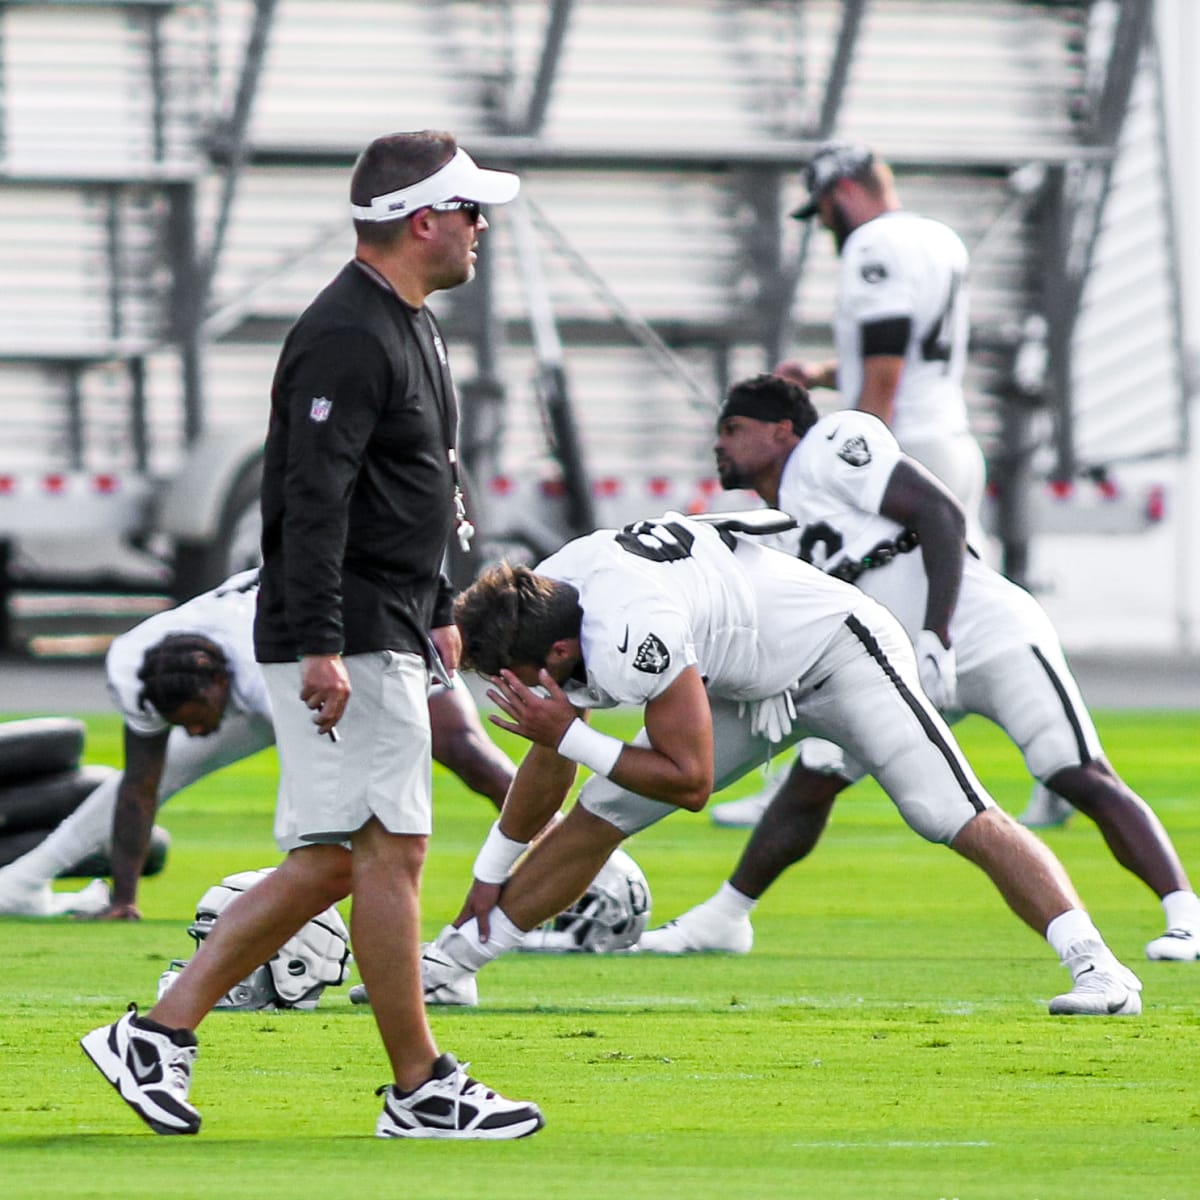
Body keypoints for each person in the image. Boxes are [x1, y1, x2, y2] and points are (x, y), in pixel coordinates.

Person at [80, 129, 543, 1140]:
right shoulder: (348, 331)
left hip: (385, 621)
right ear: (421, 220)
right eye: (469, 209)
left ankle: (158, 1035)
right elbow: (313, 498)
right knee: (393, 852)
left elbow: (412, 486)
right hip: (344, 630)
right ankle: (419, 1088)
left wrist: (436, 605)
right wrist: (328, 640)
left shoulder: (406, 322)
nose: (482, 226)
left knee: (347, 858)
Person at [411, 509, 1142, 1019]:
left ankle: (1099, 967)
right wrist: (487, 873)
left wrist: (571, 732)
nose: (512, 692)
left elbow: (690, 782)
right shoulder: (550, 595)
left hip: (838, 652)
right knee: (601, 815)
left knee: (949, 811)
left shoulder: (631, 626)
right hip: (745, 681)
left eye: (517, 676)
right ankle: (451, 967)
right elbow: (551, 767)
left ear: (561, 653)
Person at [638, 375, 1200, 964]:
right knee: (812, 781)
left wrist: (938, 631)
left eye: (732, 429)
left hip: (980, 632)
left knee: (1074, 771)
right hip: (889, 666)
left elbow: (939, 512)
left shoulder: (831, 444)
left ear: (782, 431)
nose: (719, 445)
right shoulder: (773, 526)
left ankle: (1184, 913)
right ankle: (724, 919)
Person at [711, 140, 987, 831]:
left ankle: (801, 770)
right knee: (969, 623)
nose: (827, 225)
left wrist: (863, 443)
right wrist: (825, 372)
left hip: (909, 450)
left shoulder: (873, 245)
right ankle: (1057, 758)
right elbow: (909, 349)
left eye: (826, 209)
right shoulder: (937, 239)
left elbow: (889, 364)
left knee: (847, 622)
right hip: (951, 438)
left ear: (843, 191)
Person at [0, 569, 516, 919]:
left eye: (196, 721)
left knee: (464, 752)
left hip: (357, 641)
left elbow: (324, 780)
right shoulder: (134, 665)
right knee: (161, 771)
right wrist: (124, 899)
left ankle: (580, 866)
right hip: (281, 652)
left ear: (218, 687)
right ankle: (26, 880)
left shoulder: (260, 681)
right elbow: (140, 786)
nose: (195, 731)